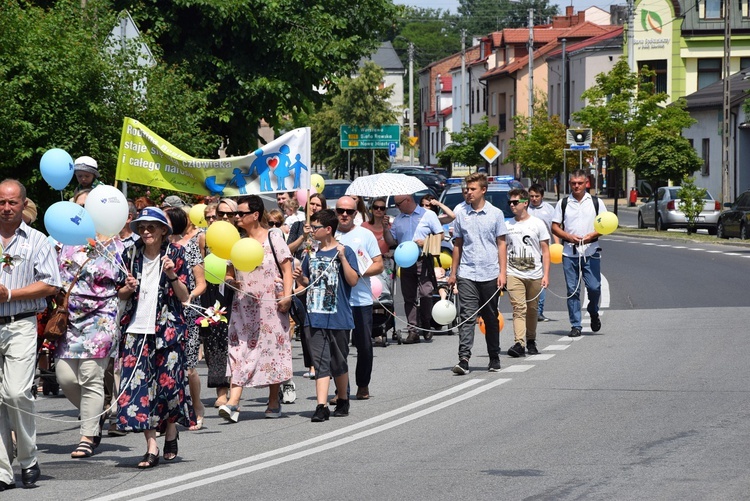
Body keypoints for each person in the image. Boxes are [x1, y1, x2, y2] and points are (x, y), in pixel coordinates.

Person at [116, 207, 193, 468]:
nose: (146, 231)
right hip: (135, 331)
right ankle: (151, 446)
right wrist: (126, 289)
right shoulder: (130, 253)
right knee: (138, 390)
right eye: (141, 226)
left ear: (163, 230)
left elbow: (184, 296)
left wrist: (171, 274)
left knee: (169, 387)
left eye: (151, 227)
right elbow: (120, 295)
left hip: (167, 331)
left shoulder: (176, 253)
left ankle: (171, 430)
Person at [0, 180, 61, 491]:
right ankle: (2, 471)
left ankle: (28, 458)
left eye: (12, 202)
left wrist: (10, 293)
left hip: (21, 322)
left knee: (16, 393)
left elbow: (51, 284)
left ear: (23, 204)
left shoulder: (37, 241)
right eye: (2, 202)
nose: (7, 208)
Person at [55, 220, 126, 458]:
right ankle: (96, 414)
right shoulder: (62, 241)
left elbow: (119, 279)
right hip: (69, 318)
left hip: (101, 317)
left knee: (90, 375)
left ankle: (87, 435)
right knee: (65, 376)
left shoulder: (117, 245)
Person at [219, 195, 293, 423]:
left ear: (255, 215)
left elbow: (287, 267)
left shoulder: (274, 236)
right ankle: (233, 403)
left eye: (241, 213)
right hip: (243, 306)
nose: (236, 217)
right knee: (239, 352)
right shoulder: (235, 242)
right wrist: (232, 282)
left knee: (271, 353)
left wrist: (288, 296)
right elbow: (228, 274)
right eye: (235, 214)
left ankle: (273, 400)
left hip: (271, 305)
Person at [294, 209, 359, 422]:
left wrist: (342, 258)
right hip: (314, 315)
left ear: (328, 229)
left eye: (315, 228)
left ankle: (342, 398)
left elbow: (353, 280)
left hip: (338, 315)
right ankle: (321, 406)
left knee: (338, 361)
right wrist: (300, 278)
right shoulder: (310, 253)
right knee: (320, 362)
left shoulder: (344, 251)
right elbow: (307, 283)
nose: (312, 231)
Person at [448, 172, 507, 375]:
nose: (468, 192)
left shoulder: (496, 214)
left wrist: (503, 272)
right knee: (467, 316)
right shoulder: (460, 212)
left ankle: (494, 357)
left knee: (490, 317)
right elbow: (458, 244)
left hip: (490, 272)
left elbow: (501, 244)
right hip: (467, 272)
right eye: (467, 188)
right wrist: (453, 273)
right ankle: (464, 358)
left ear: (483, 190)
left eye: (473, 189)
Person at [334, 196, 383, 401]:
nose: (344, 215)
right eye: (340, 210)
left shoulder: (365, 234)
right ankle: (341, 391)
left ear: (356, 213)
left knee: (363, 346)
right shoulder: (329, 233)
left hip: (360, 299)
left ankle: (363, 384)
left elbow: (378, 264)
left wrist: (356, 273)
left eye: (349, 211)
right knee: (339, 348)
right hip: (337, 299)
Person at [164, 207, 207, 431]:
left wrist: (188, 296)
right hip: (163, 313)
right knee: (166, 367)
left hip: (186, 313)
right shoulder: (156, 249)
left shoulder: (189, 248)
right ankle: (168, 416)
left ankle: (197, 405)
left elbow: (201, 283)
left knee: (189, 367)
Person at [551, 169, 607, 338]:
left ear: (586, 183)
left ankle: (593, 310)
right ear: (570, 184)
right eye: (573, 183)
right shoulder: (564, 202)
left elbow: (606, 225)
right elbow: (554, 226)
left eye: (580, 183)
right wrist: (568, 236)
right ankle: (576, 325)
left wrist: (593, 235)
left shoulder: (596, 202)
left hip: (590, 251)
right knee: (572, 291)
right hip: (570, 252)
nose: (576, 186)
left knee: (594, 287)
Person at [382, 194, 443, 344]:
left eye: (398, 204)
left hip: (423, 258)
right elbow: (392, 241)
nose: (397, 207)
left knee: (426, 292)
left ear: (408, 200)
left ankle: (426, 322)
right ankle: (413, 330)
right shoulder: (398, 219)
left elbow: (440, 235)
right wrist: (385, 229)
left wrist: (426, 241)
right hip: (405, 261)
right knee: (408, 297)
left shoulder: (427, 215)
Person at [504, 189, 550, 358]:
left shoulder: (537, 224)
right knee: (519, 308)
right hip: (513, 273)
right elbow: (501, 250)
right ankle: (519, 343)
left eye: (515, 202)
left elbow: (545, 251)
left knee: (532, 310)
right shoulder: (507, 225)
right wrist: (501, 273)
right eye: (510, 202)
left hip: (535, 273)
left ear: (525, 203)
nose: (511, 205)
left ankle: (531, 340)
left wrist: (546, 275)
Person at [200, 203, 232, 408]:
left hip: (232, 289)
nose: (214, 220)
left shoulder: (235, 236)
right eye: (209, 217)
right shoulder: (203, 238)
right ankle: (222, 388)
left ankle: (230, 387)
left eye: (218, 215)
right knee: (213, 340)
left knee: (231, 342)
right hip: (209, 291)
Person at [528, 183, 558, 322]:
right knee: (528, 280)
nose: (534, 199)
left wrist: (557, 245)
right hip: (528, 251)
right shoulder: (525, 208)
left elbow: (554, 228)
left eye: (537, 196)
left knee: (541, 280)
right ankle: (529, 309)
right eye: (531, 196)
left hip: (544, 250)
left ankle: (539, 311)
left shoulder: (549, 209)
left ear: (542, 196)